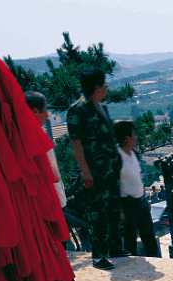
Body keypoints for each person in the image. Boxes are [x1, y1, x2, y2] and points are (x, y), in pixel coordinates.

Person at [25, 91, 90, 281]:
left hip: (54, 201)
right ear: (35, 111)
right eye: (46, 110)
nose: (48, 114)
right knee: (58, 249)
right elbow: (51, 174)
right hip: (49, 204)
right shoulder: (33, 137)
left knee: (59, 249)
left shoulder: (33, 134)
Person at [67, 68, 130, 270]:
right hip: (94, 172)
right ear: (97, 87)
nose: (107, 88)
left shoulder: (101, 107)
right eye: (104, 85)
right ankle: (99, 256)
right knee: (97, 213)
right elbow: (76, 143)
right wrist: (85, 172)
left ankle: (114, 247)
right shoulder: (78, 110)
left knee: (112, 209)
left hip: (109, 170)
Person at [114, 121, 160, 257]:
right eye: (133, 134)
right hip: (127, 204)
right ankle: (133, 267)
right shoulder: (116, 157)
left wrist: (145, 198)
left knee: (149, 235)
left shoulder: (133, 153)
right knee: (130, 239)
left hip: (141, 202)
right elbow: (113, 185)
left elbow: (136, 178)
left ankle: (154, 259)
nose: (136, 137)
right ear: (126, 138)